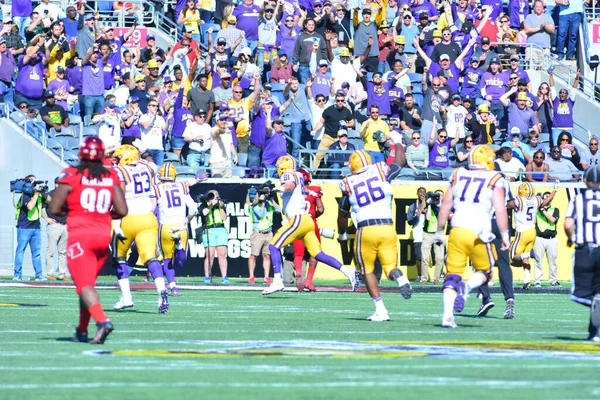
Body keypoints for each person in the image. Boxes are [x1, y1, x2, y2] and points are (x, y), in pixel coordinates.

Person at [48, 136, 128, 345]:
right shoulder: (111, 175)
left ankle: (102, 322)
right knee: (87, 286)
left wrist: (75, 211)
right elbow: (122, 210)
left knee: (84, 285)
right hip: (103, 237)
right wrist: (101, 215)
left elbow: (54, 208)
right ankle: (82, 330)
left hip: (80, 236)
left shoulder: (72, 173)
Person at [435, 145, 510, 328]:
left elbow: (445, 206)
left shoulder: (458, 174)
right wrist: (505, 235)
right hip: (479, 233)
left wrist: (438, 231)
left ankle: (447, 317)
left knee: (452, 275)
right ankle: (467, 287)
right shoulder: (494, 178)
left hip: (458, 230)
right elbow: (500, 210)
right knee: (485, 272)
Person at [262, 155, 358, 295]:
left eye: (279, 166)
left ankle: (277, 281)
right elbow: (304, 190)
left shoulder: (288, 175)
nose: (278, 169)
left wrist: (276, 189)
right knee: (318, 254)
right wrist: (312, 192)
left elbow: (288, 186)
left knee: (273, 246)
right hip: (307, 220)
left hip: (297, 219)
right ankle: (348, 271)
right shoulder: (299, 175)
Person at [338, 148, 411, 320]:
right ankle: (399, 278)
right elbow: (399, 161)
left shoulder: (348, 183)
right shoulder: (380, 170)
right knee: (390, 268)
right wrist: (398, 142)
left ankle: (381, 310)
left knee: (367, 271)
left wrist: (342, 232)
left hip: (366, 229)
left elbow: (343, 212)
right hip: (387, 226)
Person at [112, 145, 168, 314]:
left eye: (118, 157)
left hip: (128, 217)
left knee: (119, 257)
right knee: (151, 257)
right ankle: (161, 289)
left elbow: (119, 196)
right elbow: (151, 165)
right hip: (148, 217)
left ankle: (126, 297)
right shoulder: (146, 168)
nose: (115, 160)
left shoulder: (120, 171)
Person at [155, 163, 202, 296]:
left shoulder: (157, 188)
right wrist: (186, 220)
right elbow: (194, 208)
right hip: (181, 225)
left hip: (165, 226)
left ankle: (173, 287)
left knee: (167, 259)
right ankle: (179, 246)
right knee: (180, 262)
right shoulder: (182, 186)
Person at [564, 165, 600, 342]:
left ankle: (594, 332)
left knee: (580, 294)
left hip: (586, 249)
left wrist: (572, 238)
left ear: (585, 181)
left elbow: (568, 225)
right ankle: (594, 332)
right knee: (597, 294)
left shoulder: (578, 199)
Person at [509, 181, 557, 290]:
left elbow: (507, 205)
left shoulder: (518, 200)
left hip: (522, 233)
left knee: (513, 257)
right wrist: (554, 190)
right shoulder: (536, 199)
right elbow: (546, 202)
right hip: (532, 232)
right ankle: (527, 281)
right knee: (525, 260)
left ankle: (529, 254)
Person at [13, 175, 48, 281]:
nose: (37, 185)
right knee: (20, 251)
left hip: (36, 227)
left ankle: (39, 274)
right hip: (24, 228)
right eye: (35, 183)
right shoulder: (26, 195)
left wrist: (43, 192)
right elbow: (30, 206)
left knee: (36, 253)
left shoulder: (37, 195)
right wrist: (36, 193)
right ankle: (17, 275)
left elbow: (46, 203)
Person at [310, 91, 355, 170]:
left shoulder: (347, 111)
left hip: (341, 138)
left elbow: (352, 123)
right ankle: (311, 173)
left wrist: (346, 124)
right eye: (338, 100)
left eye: (342, 100)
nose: (340, 102)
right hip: (328, 137)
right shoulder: (328, 110)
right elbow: (321, 122)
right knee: (318, 155)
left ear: (344, 101)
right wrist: (315, 130)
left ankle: (347, 174)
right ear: (335, 101)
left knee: (346, 157)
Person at [246, 185, 281, 284]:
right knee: (254, 255)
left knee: (267, 255)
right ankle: (251, 276)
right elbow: (261, 214)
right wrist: (261, 202)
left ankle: (266, 277)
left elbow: (279, 210)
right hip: (258, 233)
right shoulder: (254, 205)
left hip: (268, 233)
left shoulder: (269, 203)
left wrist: (271, 199)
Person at [200, 190, 229, 284]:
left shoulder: (221, 205)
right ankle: (207, 277)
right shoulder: (204, 204)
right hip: (209, 230)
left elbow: (224, 218)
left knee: (222, 254)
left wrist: (220, 207)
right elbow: (204, 213)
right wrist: (211, 204)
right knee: (210, 255)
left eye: (216, 196)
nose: (214, 198)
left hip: (220, 229)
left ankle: (224, 277)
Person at [42, 178, 68, 281]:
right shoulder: (50, 195)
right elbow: (38, 207)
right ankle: (50, 274)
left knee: (63, 252)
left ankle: (62, 274)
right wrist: (46, 218)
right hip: (54, 225)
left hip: (65, 225)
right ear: (57, 185)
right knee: (51, 251)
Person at [533, 191, 560, 287]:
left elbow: (553, 220)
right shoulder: (537, 210)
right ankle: (537, 280)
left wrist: (543, 210)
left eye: (549, 197)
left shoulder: (555, 209)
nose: (548, 199)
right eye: (546, 197)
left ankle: (553, 280)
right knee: (538, 260)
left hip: (551, 239)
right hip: (539, 238)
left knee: (552, 261)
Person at [549, 70, 579, 144]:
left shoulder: (570, 101)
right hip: (556, 128)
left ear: (567, 95)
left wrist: (577, 78)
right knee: (556, 146)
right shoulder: (555, 101)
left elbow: (574, 89)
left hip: (568, 128)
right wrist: (551, 76)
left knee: (568, 147)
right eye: (561, 93)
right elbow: (552, 87)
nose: (562, 94)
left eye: (564, 93)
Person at [524, 1, 555, 65]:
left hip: (545, 48)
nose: (538, 8)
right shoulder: (529, 17)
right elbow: (527, 30)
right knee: (531, 69)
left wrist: (545, 26)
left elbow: (552, 30)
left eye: (540, 7)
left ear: (543, 8)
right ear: (534, 8)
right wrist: (539, 28)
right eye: (537, 6)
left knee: (545, 69)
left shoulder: (548, 17)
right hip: (532, 48)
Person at [407, 187, 426, 283]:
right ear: (417, 193)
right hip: (418, 234)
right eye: (420, 192)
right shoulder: (413, 206)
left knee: (427, 256)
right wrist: (416, 217)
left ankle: (427, 276)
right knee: (418, 256)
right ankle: (420, 275)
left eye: (424, 192)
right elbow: (409, 222)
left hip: (428, 234)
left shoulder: (429, 206)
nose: (422, 193)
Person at [139, 100, 167, 166]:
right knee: (148, 168)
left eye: (157, 106)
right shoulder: (143, 117)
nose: (155, 107)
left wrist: (168, 120)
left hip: (159, 148)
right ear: (148, 107)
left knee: (159, 169)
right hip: (147, 147)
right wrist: (153, 117)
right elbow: (146, 126)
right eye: (153, 105)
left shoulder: (160, 118)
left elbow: (165, 129)